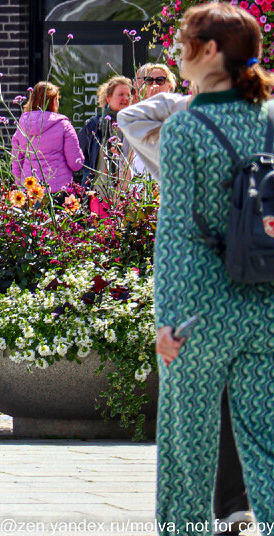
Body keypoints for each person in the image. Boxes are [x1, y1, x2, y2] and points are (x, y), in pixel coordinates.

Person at [152, 2, 274, 535]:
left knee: (188, 450)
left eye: (183, 43)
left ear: (210, 51)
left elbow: (177, 232)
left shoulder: (186, 129)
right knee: (266, 445)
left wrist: (167, 319)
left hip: (200, 312)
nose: (178, 52)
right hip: (267, 306)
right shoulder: (271, 119)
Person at [119, 83, 253, 532]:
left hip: (202, 283)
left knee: (198, 399)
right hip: (257, 277)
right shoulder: (258, 125)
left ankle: (212, 507)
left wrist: (181, 101)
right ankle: (236, 500)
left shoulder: (179, 140)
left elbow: (130, 118)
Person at [10, 81, 83, 191]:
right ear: (53, 101)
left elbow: (16, 163)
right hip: (59, 189)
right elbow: (76, 163)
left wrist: (20, 186)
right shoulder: (64, 126)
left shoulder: (22, 126)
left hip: (31, 190)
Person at [77, 76, 134, 191]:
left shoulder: (134, 126)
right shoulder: (94, 125)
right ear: (108, 97)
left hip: (127, 194)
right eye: (121, 94)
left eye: (128, 95)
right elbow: (78, 156)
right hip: (99, 193)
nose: (125, 98)